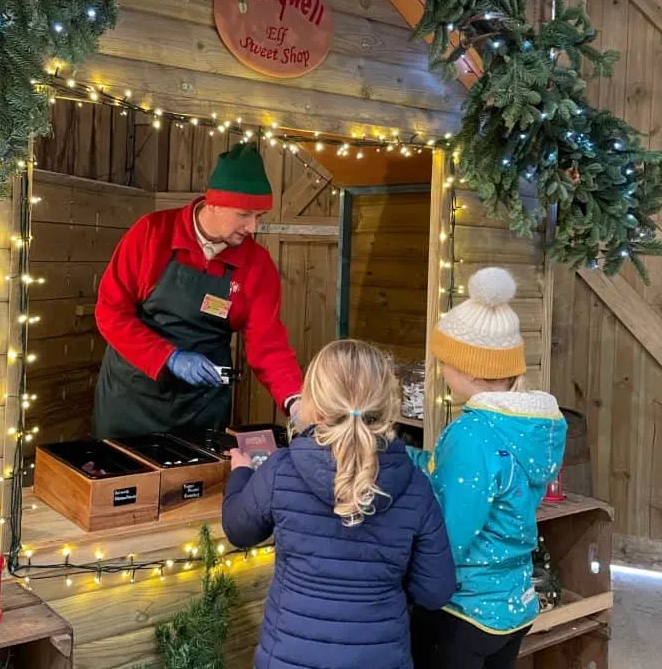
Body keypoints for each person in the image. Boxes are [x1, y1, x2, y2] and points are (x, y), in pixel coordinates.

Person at [221, 339, 456, 669]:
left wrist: (241, 473)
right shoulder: (415, 485)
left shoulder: (281, 469)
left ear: (314, 404)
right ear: (388, 404)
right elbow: (436, 591)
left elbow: (238, 530)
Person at [408, 267, 567, 669]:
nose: (441, 369)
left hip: (464, 609)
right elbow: (456, 473)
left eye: (445, 360)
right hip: (513, 604)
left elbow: (448, 533)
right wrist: (400, 456)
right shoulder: (529, 427)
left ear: (472, 368)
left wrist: (412, 586)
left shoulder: (471, 434)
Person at [92, 142, 303, 439]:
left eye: (259, 216)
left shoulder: (257, 266)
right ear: (213, 203)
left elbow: (268, 344)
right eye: (244, 214)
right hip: (131, 398)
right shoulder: (151, 234)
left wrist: (295, 400)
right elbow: (110, 313)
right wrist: (170, 357)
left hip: (201, 407)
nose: (253, 227)